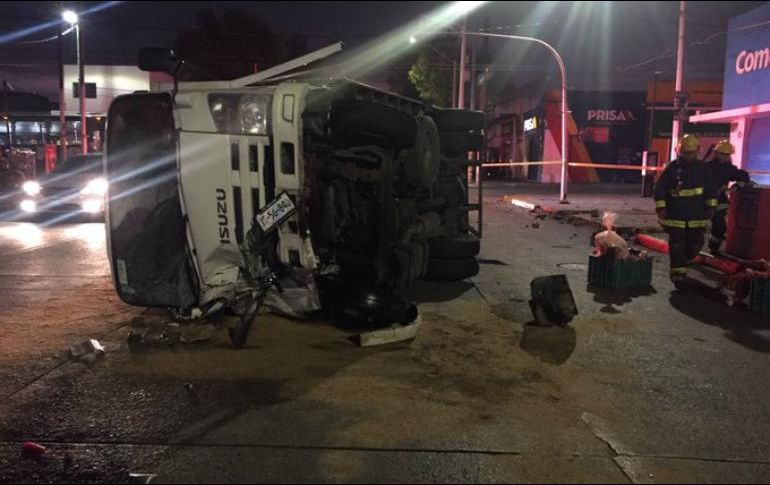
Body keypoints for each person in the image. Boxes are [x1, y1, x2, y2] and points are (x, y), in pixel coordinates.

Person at [654, 134, 718, 285]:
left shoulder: (703, 169)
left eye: (690, 153)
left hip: (697, 213)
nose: (687, 156)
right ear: (679, 151)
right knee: (677, 244)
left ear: (697, 151)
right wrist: (661, 207)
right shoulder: (672, 168)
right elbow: (660, 188)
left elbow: (710, 189)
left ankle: (687, 259)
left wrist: (711, 206)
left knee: (696, 243)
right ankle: (678, 274)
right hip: (676, 212)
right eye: (685, 152)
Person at [706, 140, 751, 253]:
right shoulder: (707, 167)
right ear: (716, 153)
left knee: (720, 225)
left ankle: (714, 247)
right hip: (704, 199)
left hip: (719, 200)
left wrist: (739, 184)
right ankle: (690, 248)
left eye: (727, 155)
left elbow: (744, 175)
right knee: (695, 225)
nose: (725, 157)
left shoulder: (728, 168)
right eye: (723, 154)